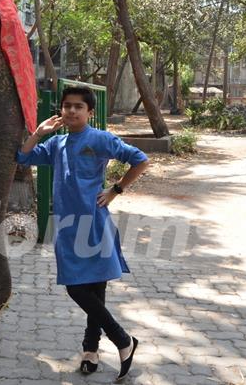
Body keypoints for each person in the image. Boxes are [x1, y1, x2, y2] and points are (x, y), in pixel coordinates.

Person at [16, 86, 149, 380]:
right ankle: (123, 340)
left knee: (93, 290)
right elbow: (23, 158)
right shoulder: (57, 144)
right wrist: (39, 132)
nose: (72, 111)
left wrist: (115, 190)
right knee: (77, 287)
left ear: (90, 112)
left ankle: (92, 349)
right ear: (61, 110)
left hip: (95, 223)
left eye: (78, 106)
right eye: (67, 106)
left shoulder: (100, 139)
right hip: (67, 227)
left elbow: (140, 159)